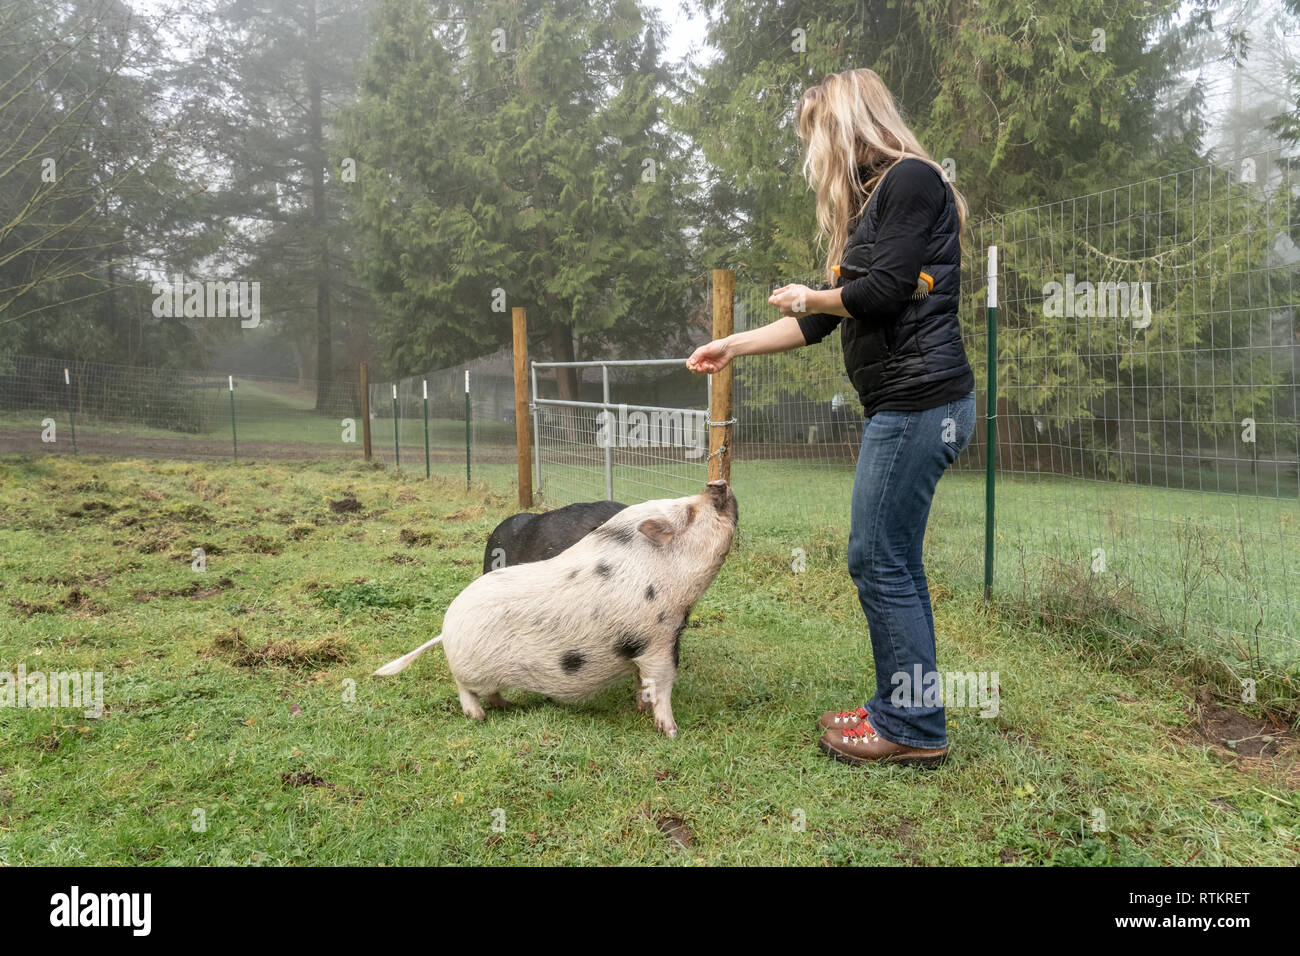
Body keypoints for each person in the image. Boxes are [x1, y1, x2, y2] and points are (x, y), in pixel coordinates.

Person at [686, 68, 976, 768]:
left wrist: (815, 298)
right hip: (908, 403)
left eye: (816, 134)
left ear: (847, 125)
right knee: (889, 559)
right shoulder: (875, 203)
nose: (813, 153)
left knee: (877, 559)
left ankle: (912, 726)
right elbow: (819, 322)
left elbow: (879, 295)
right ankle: (901, 708)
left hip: (919, 403)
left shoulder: (910, 180)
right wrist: (735, 345)